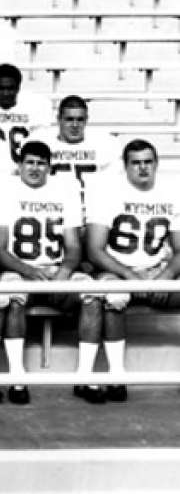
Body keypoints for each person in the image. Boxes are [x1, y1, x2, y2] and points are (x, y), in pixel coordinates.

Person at [0, 140, 96, 404]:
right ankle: (17, 377)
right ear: (19, 165)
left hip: (55, 268)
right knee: (10, 293)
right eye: (29, 162)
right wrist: (28, 271)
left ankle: (85, 377)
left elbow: (74, 245)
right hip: (19, 268)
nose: (35, 168)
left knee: (94, 293)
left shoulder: (65, 191)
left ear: (49, 167)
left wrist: (65, 269)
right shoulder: (3, 190)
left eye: (41, 163)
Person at [82, 140, 180, 404]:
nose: (143, 168)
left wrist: (165, 277)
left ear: (157, 164)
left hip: (156, 269)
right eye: (136, 163)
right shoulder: (108, 192)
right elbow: (95, 250)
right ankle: (116, 375)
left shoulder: (172, 192)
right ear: (125, 167)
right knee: (112, 295)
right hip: (118, 269)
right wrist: (130, 275)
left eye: (148, 162)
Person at [28, 95, 121, 190]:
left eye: (80, 119)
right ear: (59, 119)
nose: (75, 125)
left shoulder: (104, 145)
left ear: (86, 120)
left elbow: (112, 184)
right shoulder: (41, 144)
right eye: (69, 119)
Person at [0, 63, 53, 163]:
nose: (6, 93)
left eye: (10, 88)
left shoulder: (34, 107)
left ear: (18, 88)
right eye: (1, 88)